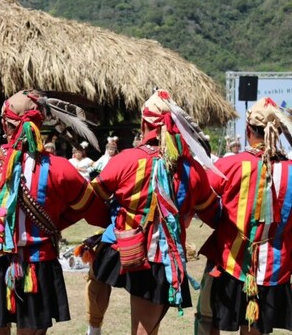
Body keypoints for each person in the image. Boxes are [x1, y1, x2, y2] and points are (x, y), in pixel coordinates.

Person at [0, 89, 110, 334]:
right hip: (35, 266)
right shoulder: (59, 169)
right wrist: (55, 223)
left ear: (5, 124)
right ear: (38, 125)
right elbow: (94, 213)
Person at [85, 89, 222, 335]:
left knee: (96, 272)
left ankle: (93, 328)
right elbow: (214, 214)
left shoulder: (125, 160)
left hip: (123, 247)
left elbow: (92, 201)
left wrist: (112, 219)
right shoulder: (192, 170)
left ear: (144, 123)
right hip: (162, 259)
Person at [195, 97, 292, 335]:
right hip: (274, 267)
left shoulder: (232, 165)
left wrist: (217, 220)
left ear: (248, 130)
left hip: (231, 261)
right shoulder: (290, 170)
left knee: (208, 319)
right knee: (254, 328)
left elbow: (201, 196)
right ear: (277, 132)